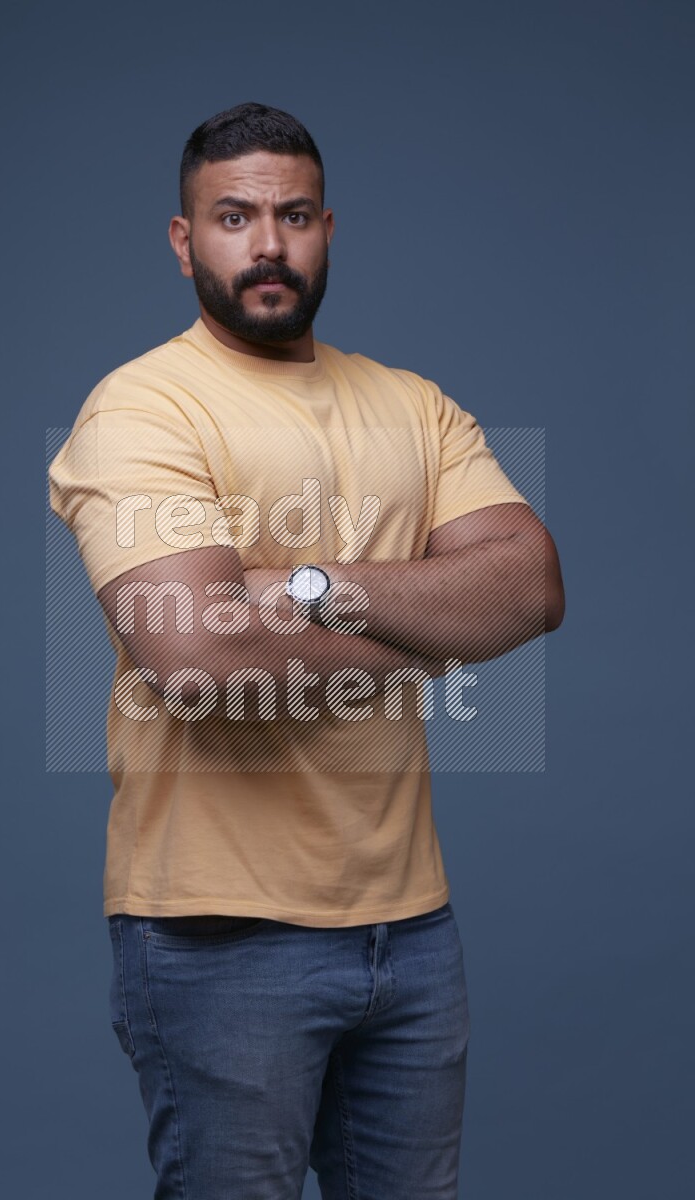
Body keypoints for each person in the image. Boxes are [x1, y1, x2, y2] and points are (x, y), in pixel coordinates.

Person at [48, 101, 564, 1200]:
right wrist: (430, 632)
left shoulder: (411, 405)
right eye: (232, 217)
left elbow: (528, 588)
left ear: (327, 226)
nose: (267, 244)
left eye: (290, 215)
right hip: (215, 935)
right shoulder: (144, 409)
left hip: (410, 929)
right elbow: (194, 661)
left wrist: (311, 591)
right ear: (184, 241)